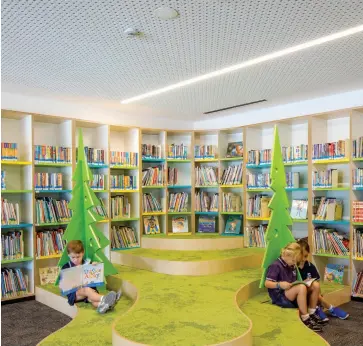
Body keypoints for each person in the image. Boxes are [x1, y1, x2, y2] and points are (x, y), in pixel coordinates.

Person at [264, 242, 324, 332]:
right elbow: (267, 283)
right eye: (293, 261)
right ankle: (305, 318)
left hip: (290, 291)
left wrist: (298, 282)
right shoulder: (275, 266)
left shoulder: (291, 264)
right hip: (280, 296)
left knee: (315, 284)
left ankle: (312, 312)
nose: (294, 263)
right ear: (287, 256)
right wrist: (279, 284)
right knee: (301, 287)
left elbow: (293, 281)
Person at [61, 240, 121, 314]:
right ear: (68, 255)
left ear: (82, 253)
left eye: (78, 257)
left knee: (92, 299)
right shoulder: (66, 267)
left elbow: (94, 277)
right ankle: (105, 298)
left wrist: (94, 267)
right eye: (73, 257)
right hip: (75, 294)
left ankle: (104, 305)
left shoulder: (87, 263)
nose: (76, 260)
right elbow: (65, 285)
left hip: (89, 291)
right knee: (86, 290)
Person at [297, 239, 349, 321]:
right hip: (300, 293)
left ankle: (318, 308)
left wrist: (319, 293)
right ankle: (330, 308)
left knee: (316, 288)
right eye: (301, 256)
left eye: (306, 256)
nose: (303, 259)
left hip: (311, 293)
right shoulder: (293, 267)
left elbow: (316, 282)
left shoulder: (310, 266)